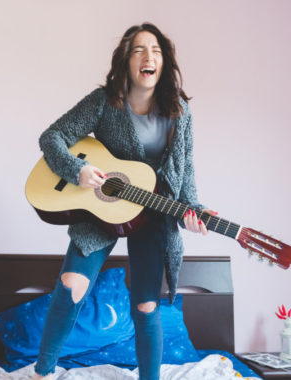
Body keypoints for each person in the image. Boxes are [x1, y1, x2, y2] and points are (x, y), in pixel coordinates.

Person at [32, 22, 216, 380]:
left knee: (147, 307)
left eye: (156, 51)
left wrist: (194, 210)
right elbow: (52, 136)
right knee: (72, 285)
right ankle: (42, 372)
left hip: (154, 213)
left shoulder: (179, 110)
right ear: (126, 61)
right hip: (99, 206)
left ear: (164, 63)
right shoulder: (104, 101)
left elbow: (186, 170)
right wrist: (76, 171)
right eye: (139, 50)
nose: (149, 57)